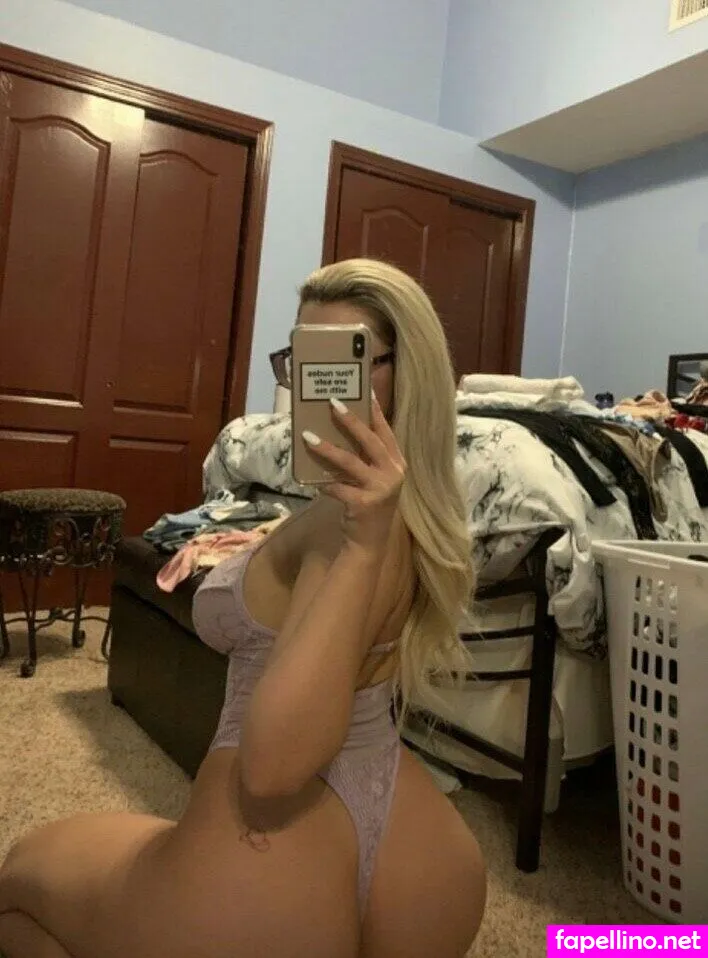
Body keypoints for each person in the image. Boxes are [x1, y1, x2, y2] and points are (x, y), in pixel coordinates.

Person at [0, 259, 486, 958]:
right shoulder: (417, 512)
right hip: (421, 851)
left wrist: (356, 547)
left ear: (408, 376)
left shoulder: (354, 532)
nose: (316, 389)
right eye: (303, 360)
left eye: (342, 363)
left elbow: (271, 773)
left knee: (20, 878)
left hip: (265, 861)